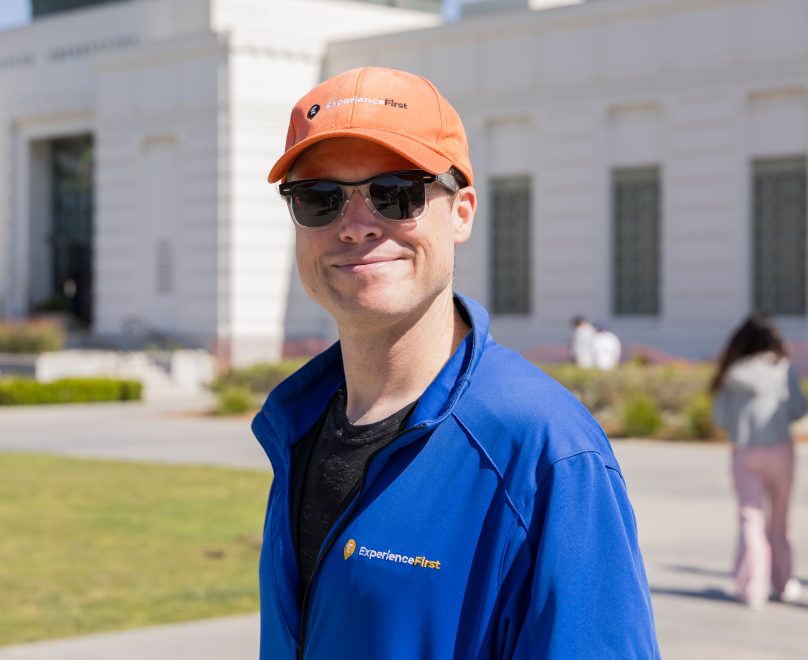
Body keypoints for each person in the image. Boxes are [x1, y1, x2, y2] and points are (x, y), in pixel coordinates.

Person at [254, 67, 659, 659]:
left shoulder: (545, 451)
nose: (356, 225)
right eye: (321, 199)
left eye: (397, 193)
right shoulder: (298, 423)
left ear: (462, 212)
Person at [711, 314, 806, 609]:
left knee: (750, 519)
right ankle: (784, 582)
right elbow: (797, 410)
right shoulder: (783, 369)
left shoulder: (732, 373)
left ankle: (753, 590)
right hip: (781, 451)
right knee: (779, 521)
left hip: (746, 451)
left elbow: (720, 418)